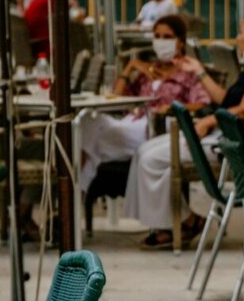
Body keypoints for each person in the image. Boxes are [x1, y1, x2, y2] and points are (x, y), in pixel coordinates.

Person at [125, 8, 244, 247]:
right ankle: (177, 221)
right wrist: (199, 71)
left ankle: (182, 224)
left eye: (242, 32)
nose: (237, 37)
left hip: (238, 147)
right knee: (144, 151)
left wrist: (208, 121)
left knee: (152, 159)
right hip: (224, 138)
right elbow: (225, 100)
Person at [78, 14, 208, 202]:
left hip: (155, 128)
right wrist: (130, 67)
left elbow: (202, 102)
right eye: (157, 36)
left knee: (85, 142)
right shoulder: (149, 70)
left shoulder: (189, 70)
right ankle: (77, 196)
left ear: (180, 42)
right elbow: (117, 96)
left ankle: (73, 198)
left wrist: (171, 107)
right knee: (85, 121)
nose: (161, 41)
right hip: (131, 122)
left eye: (167, 37)